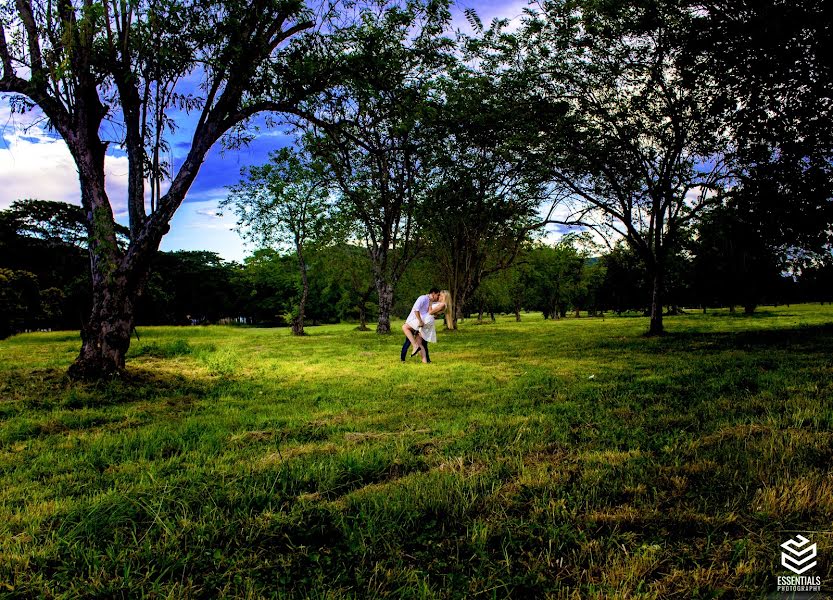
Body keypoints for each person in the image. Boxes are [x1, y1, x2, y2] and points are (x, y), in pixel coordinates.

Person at [403, 290, 453, 363]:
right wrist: (430, 299)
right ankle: (425, 362)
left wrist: (430, 302)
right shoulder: (439, 303)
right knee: (419, 342)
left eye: (440, 295)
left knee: (405, 327)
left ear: (444, 297)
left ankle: (414, 346)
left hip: (426, 321)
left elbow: (430, 312)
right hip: (426, 319)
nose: (438, 297)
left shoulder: (443, 304)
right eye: (438, 295)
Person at [401, 288, 440, 363]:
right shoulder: (423, 298)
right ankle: (404, 359)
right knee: (411, 342)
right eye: (437, 295)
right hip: (414, 321)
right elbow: (416, 309)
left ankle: (424, 359)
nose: (438, 297)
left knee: (420, 343)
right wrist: (420, 321)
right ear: (433, 293)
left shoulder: (431, 301)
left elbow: (428, 312)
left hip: (419, 322)